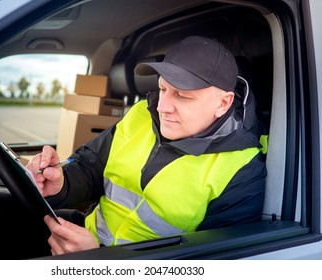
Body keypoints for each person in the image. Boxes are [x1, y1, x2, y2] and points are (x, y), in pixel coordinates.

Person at [26, 36, 267, 256]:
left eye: (182, 95)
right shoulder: (141, 114)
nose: (163, 107)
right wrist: (61, 184)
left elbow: (209, 262)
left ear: (223, 103)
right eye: (163, 89)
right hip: (85, 238)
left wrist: (100, 259)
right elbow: (91, 166)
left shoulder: (241, 169)